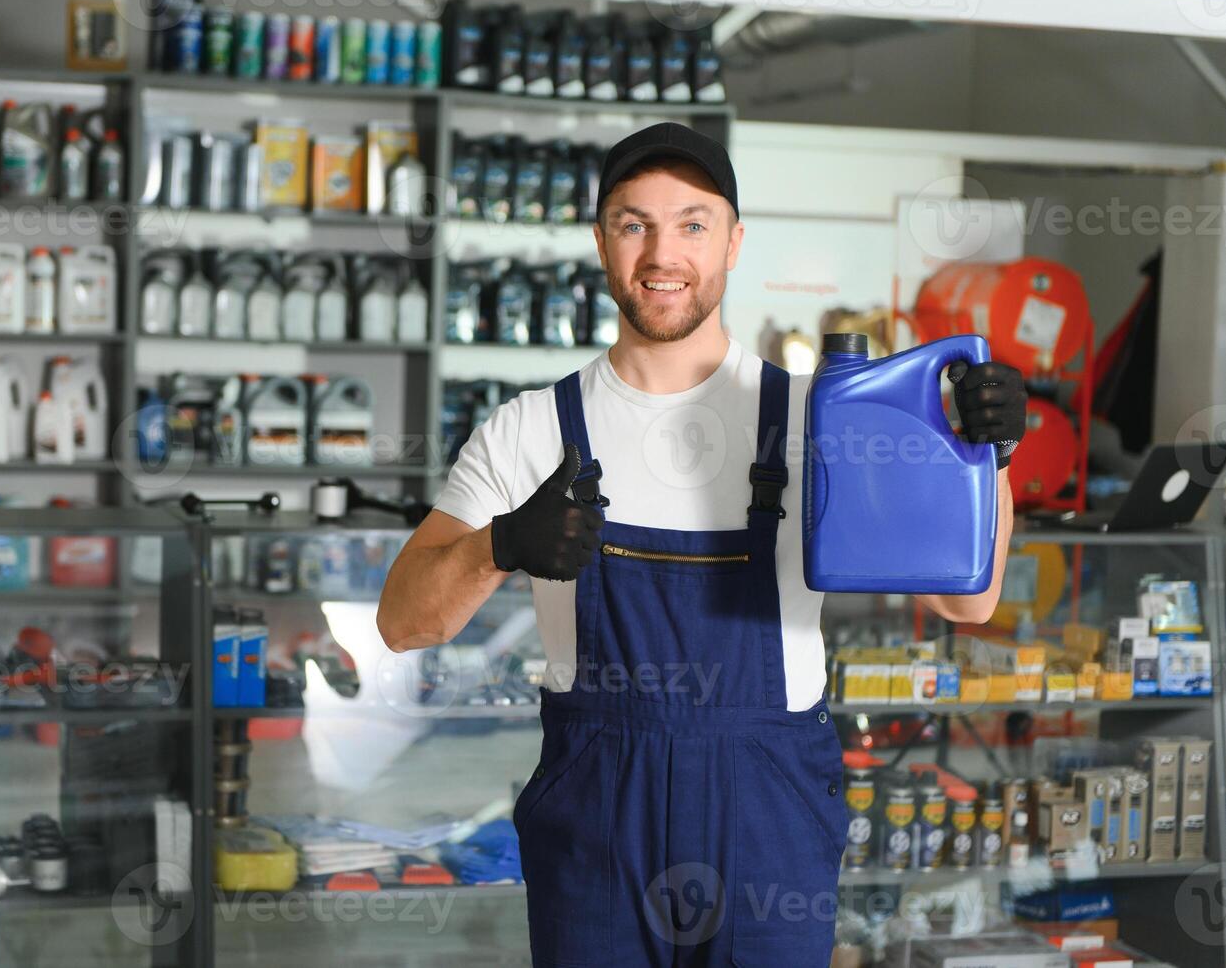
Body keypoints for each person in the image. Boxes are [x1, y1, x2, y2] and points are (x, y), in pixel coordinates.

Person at [376, 122, 1026, 967]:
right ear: (601, 240)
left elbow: (964, 601)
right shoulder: (528, 430)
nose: (662, 252)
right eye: (632, 221)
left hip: (768, 814)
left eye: (691, 222)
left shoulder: (815, 419)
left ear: (733, 241)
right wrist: (497, 544)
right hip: (598, 812)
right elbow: (402, 623)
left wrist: (990, 458)